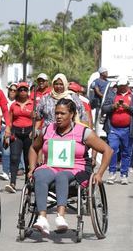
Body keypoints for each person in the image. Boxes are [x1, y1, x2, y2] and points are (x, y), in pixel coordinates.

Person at [28, 99, 113, 235]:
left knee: (62, 176)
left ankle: (61, 216)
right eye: (56, 113)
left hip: (77, 169)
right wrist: (32, 168)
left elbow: (108, 150)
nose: (58, 116)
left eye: (62, 113)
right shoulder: (48, 129)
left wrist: (99, 174)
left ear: (72, 114)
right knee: (40, 175)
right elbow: (33, 147)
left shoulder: (83, 132)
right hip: (51, 166)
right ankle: (42, 218)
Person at [102, 75, 133, 185]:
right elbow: (104, 108)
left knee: (126, 152)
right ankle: (112, 173)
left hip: (128, 129)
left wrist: (128, 108)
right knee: (113, 149)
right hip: (113, 128)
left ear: (127, 85)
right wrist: (113, 106)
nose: (121, 88)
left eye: (123, 86)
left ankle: (124, 174)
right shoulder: (112, 94)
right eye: (120, 86)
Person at [3, 81, 33, 193]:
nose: (23, 92)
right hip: (16, 132)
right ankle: (13, 183)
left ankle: (27, 183)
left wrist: (36, 130)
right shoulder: (13, 105)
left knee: (27, 159)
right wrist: (7, 131)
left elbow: (39, 120)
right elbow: (9, 121)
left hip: (29, 133)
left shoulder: (33, 104)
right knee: (14, 158)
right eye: (20, 90)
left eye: (25, 90)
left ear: (28, 91)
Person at [0, 83, 17, 183]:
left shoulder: (18, 102)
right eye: (11, 90)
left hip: (16, 128)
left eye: (15, 90)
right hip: (4, 127)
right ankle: (5, 172)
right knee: (5, 150)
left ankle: (13, 171)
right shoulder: (4, 101)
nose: (12, 92)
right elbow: (0, 116)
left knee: (14, 152)